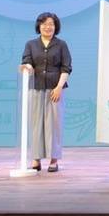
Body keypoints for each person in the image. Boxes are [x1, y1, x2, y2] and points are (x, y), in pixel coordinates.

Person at [22, 12, 72, 173]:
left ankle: (54, 160)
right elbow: (26, 61)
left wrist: (59, 87)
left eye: (51, 24)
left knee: (54, 125)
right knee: (36, 124)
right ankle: (35, 159)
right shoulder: (31, 44)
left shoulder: (61, 45)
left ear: (56, 26)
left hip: (55, 88)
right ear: (39, 26)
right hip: (35, 87)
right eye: (44, 24)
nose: (47, 27)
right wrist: (27, 67)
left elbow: (66, 67)